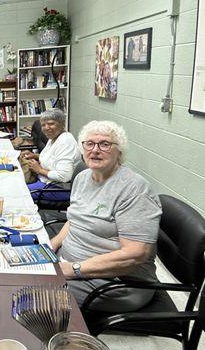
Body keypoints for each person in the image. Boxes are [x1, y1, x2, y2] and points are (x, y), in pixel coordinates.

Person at [50, 120, 162, 312]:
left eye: (105, 144)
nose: (95, 150)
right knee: (10, 272)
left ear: (120, 152)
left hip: (115, 282)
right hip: (70, 264)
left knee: (31, 295)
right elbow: (75, 219)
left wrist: (74, 269)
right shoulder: (83, 177)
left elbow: (134, 255)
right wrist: (51, 246)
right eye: (89, 143)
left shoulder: (134, 190)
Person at [21, 108, 81, 201]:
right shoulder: (54, 137)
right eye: (43, 125)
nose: (46, 128)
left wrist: (39, 170)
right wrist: (35, 155)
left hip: (57, 188)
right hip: (47, 182)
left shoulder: (65, 142)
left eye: (51, 123)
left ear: (61, 124)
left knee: (19, 195)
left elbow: (64, 176)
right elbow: (54, 157)